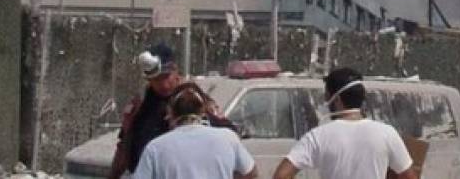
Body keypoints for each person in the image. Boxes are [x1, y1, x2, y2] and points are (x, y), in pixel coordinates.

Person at [109, 43, 233, 178]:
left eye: (165, 77)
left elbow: (228, 135)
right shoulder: (141, 104)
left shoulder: (194, 99)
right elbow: (124, 145)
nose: (162, 84)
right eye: (156, 79)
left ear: (175, 71)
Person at [272, 67, 418, 179]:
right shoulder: (387, 133)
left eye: (326, 96)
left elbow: (281, 175)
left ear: (337, 100)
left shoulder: (319, 136)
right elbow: (409, 176)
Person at [133, 82, 258, 179]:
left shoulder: (155, 148)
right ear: (203, 110)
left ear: (171, 112)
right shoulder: (228, 138)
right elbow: (251, 172)